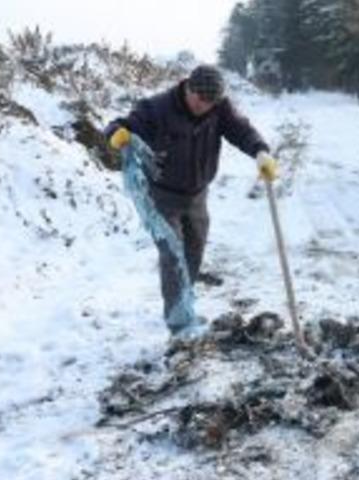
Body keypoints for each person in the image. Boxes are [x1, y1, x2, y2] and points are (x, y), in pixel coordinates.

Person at [105, 64, 277, 337]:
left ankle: (184, 303)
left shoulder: (219, 108)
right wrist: (118, 133)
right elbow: (122, 124)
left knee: (193, 252)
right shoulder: (158, 108)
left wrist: (260, 152)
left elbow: (241, 130)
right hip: (161, 195)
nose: (204, 106)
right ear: (188, 88)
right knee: (172, 255)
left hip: (197, 194)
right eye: (200, 99)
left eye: (210, 102)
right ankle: (179, 324)